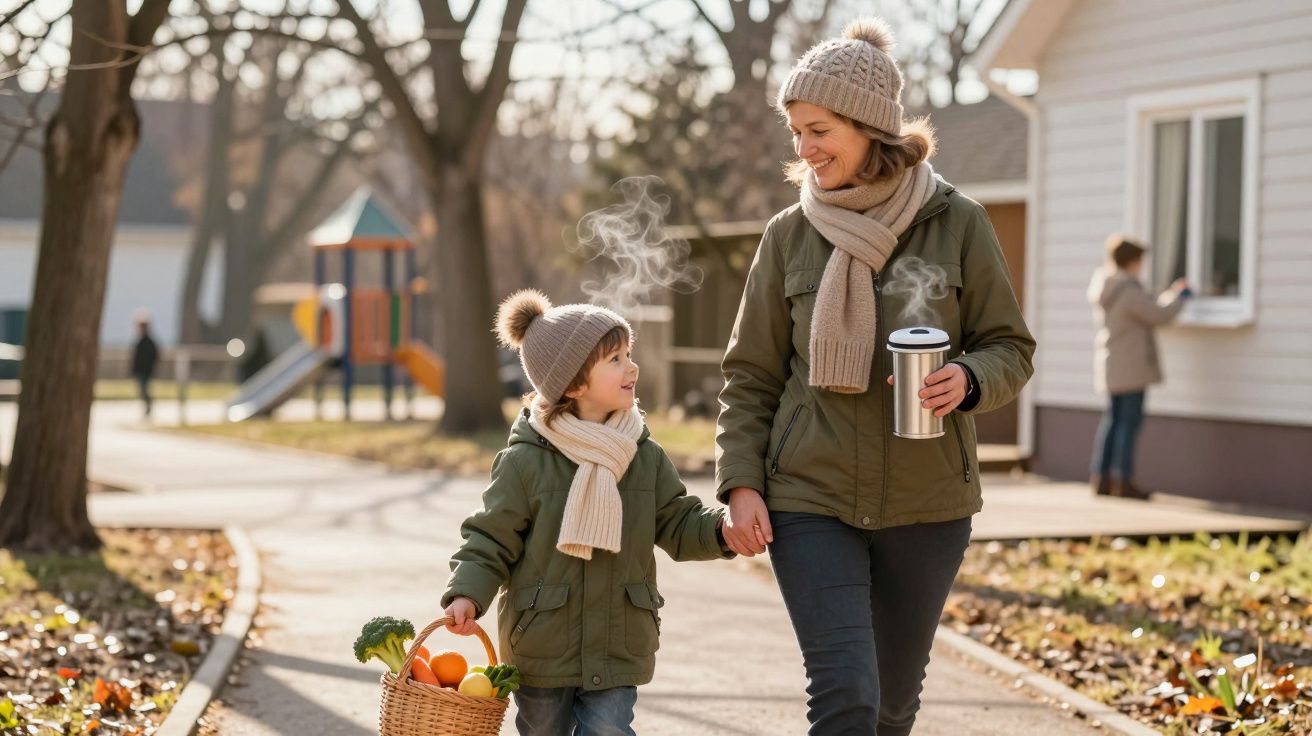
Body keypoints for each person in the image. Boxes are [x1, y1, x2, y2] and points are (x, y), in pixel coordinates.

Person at [714, 18, 1035, 735]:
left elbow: (1010, 345)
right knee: (846, 695)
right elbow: (751, 375)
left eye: (818, 129)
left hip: (928, 504)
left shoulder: (959, 224)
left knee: (891, 705)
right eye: (795, 131)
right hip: (810, 495)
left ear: (868, 126)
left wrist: (969, 379)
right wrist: (740, 483)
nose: (803, 149)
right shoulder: (788, 235)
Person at [441, 290, 733, 735]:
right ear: (573, 384)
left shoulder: (644, 455)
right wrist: (467, 593)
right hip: (543, 641)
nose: (631, 366)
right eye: (615, 358)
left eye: (628, 353)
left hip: (618, 640)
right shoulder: (525, 461)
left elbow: (675, 520)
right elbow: (490, 537)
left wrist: (722, 531)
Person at [1087, 234, 1190, 500]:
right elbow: (1158, 314)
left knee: (1112, 421)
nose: (1142, 266)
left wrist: (1164, 296)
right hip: (1131, 366)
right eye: (1140, 261)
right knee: (1128, 424)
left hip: (1112, 363)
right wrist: (1179, 296)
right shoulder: (1128, 291)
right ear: (1132, 261)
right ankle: (1124, 480)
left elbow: (1148, 305)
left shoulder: (1109, 287)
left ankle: (1102, 478)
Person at [130, 312, 159, 419]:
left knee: (144, 389)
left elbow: (154, 356)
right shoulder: (140, 341)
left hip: (146, 370)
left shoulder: (149, 342)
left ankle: (148, 407)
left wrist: (149, 367)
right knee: (142, 390)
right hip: (141, 370)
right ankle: (147, 407)